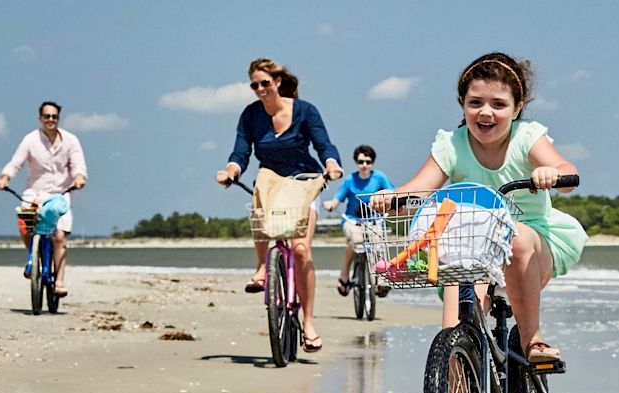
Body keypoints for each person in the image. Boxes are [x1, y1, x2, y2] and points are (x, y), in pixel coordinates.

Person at [376, 52, 585, 363]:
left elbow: (568, 174)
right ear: (463, 103)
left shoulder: (527, 138)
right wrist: (393, 198)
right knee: (453, 269)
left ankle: (532, 340)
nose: (486, 112)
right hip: (472, 245)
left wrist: (551, 173)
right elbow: (419, 190)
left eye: (498, 104)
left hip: (531, 242)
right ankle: (454, 361)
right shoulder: (452, 144)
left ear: (517, 108)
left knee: (517, 237)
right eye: (476, 103)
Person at [215, 58, 345, 352]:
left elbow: (324, 144)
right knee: (258, 192)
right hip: (272, 179)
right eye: (254, 85)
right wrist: (231, 170)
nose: (260, 89)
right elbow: (240, 151)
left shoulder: (305, 111)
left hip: (304, 179)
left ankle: (308, 323)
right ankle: (263, 266)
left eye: (265, 83)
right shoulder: (250, 115)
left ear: (277, 82)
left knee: (301, 250)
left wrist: (332, 164)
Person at [0, 101, 88, 297]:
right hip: (34, 193)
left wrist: (79, 177)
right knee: (24, 223)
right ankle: (33, 257)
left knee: (59, 237)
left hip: (60, 195)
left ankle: (60, 281)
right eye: (47, 116)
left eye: (54, 116)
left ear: (58, 119)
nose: (50, 120)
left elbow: (78, 164)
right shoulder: (30, 140)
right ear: (40, 118)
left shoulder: (71, 140)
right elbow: (16, 162)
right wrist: (5, 178)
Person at [322, 144, 395, 298]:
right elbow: (338, 198)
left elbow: (391, 193)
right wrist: (331, 205)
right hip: (353, 220)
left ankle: (382, 280)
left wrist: (395, 202)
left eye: (368, 162)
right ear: (356, 162)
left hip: (374, 219)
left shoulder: (379, 178)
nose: (364, 165)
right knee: (355, 240)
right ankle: (344, 274)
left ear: (372, 163)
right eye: (361, 161)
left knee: (378, 242)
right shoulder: (350, 180)